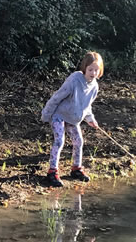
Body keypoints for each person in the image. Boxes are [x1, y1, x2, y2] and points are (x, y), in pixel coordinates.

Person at [41, 52, 103, 187]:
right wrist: (47, 113)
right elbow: (58, 96)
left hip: (73, 118)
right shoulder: (75, 80)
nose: (93, 73)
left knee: (78, 141)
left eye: (96, 70)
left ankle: (76, 168)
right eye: (90, 70)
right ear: (84, 69)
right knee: (59, 140)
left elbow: (87, 105)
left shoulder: (94, 87)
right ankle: (52, 172)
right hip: (59, 115)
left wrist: (90, 118)